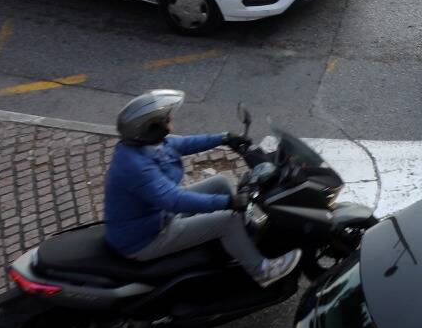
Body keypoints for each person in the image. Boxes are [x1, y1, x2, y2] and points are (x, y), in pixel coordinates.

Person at [103, 90, 300, 285]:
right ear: (151, 128)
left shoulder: (145, 144)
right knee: (228, 220)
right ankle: (262, 271)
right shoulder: (135, 166)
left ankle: (241, 242)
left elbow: (184, 143)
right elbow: (175, 201)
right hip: (147, 236)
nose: (171, 119)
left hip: (158, 215)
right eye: (166, 119)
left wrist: (224, 138)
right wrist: (228, 202)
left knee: (220, 183)